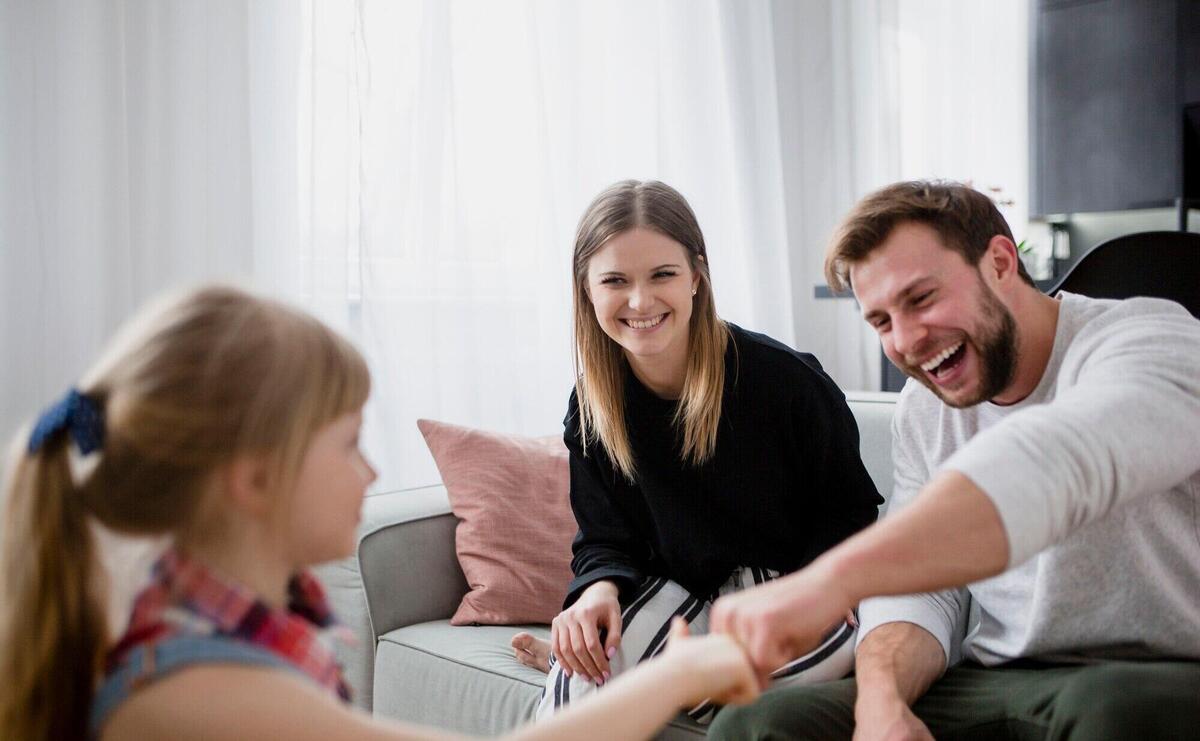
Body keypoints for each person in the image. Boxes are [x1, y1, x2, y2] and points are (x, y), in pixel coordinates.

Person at [0, 285, 762, 741]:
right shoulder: (185, 680)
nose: (371, 469)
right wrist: (675, 674)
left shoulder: (204, 614)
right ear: (255, 476)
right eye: (349, 442)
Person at [706, 180, 1200, 740]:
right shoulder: (925, 408)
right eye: (882, 322)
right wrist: (881, 705)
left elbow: (1057, 463)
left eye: (920, 299)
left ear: (999, 262)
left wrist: (827, 583)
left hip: (1155, 676)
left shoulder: (1152, 340)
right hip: (1000, 681)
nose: (908, 340)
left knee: (1119, 709)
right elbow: (919, 591)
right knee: (759, 723)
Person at [509, 180, 882, 724]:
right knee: (579, 669)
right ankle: (636, 669)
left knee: (763, 692)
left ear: (696, 279)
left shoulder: (784, 379)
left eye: (663, 275)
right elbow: (605, 537)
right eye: (615, 280)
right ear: (587, 290)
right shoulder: (592, 404)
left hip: (793, 590)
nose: (640, 301)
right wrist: (595, 592)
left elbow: (850, 509)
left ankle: (654, 674)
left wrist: (818, 593)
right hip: (676, 593)